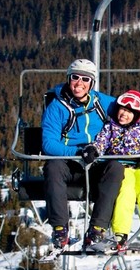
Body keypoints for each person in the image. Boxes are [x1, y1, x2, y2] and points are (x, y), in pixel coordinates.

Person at [41, 59, 124, 250]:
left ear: (91, 83)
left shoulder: (103, 103)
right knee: (52, 167)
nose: (79, 83)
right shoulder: (57, 107)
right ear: (68, 79)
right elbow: (48, 143)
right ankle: (60, 228)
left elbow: (129, 114)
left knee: (116, 168)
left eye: (85, 79)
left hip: (97, 162)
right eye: (75, 78)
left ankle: (97, 228)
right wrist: (77, 152)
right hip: (70, 163)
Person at [87, 89, 140, 253]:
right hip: (122, 166)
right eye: (122, 109)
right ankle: (120, 232)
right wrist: (94, 149)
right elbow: (100, 143)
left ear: (137, 115)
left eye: (129, 112)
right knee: (125, 191)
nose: (124, 114)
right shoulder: (110, 128)